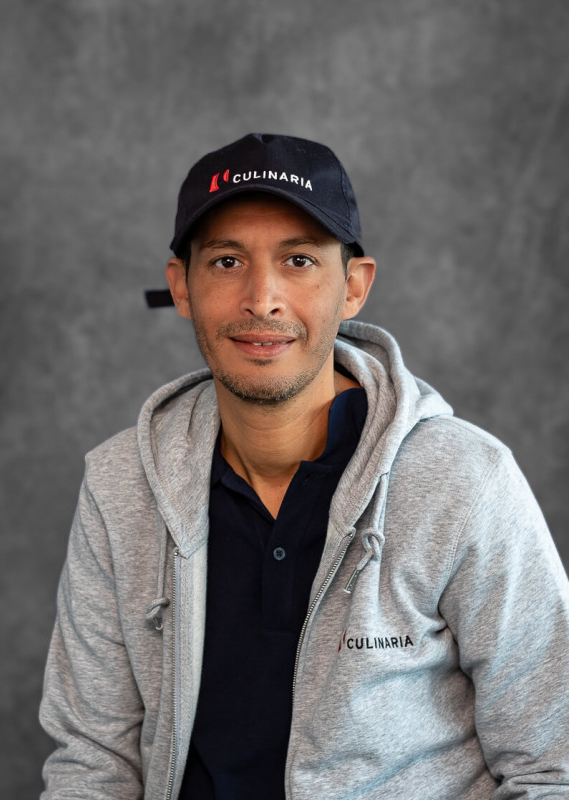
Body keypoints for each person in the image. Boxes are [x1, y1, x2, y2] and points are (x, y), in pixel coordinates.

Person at [39, 133, 569, 799]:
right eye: (227, 261)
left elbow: (554, 767)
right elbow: (93, 766)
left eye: (298, 260)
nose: (262, 299)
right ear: (182, 286)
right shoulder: (120, 484)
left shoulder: (465, 482)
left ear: (353, 286)